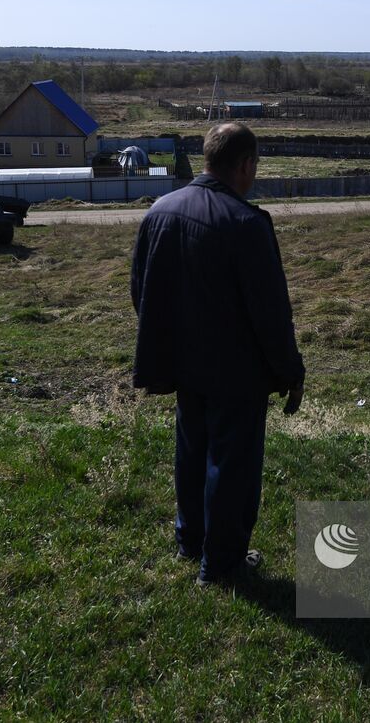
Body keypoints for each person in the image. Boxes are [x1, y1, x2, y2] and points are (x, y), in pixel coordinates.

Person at [130, 122, 305, 586]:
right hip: (236, 372)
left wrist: (171, 340)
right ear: (245, 164)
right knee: (232, 466)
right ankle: (223, 564)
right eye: (255, 165)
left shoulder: (160, 211)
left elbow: (141, 290)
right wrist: (291, 372)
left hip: (182, 363)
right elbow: (271, 314)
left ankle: (191, 541)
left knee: (192, 454)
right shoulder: (246, 224)